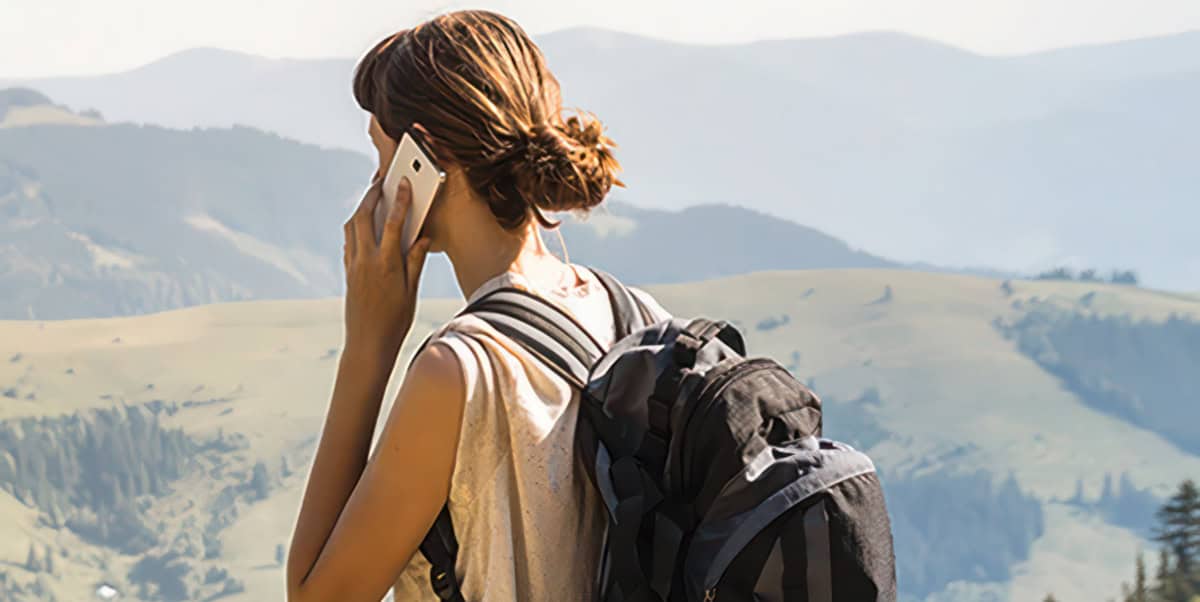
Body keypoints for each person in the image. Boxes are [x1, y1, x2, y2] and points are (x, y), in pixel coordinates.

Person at [285, 9, 670, 602]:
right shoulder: (637, 317)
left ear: (425, 158)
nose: (377, 182)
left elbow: (317, 597)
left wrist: (368, 346)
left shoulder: (459, 372)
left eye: (383, 156)